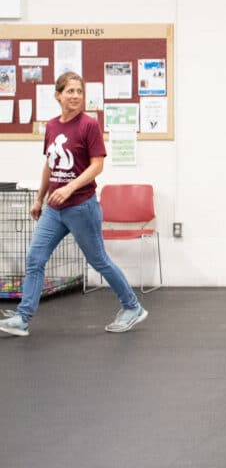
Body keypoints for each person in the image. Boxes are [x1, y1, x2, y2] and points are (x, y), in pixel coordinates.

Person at [0, 72, 147, 337]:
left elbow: (97, 166)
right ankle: (23, 318)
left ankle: (132, 306)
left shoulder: (88, 125)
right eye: (70, 91)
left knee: (99, 260)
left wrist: (69, 188)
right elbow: (50, 163)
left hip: (81, 207)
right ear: (58, 95)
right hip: (55, 210)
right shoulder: (53, 125)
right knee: (35, 258)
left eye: (79, 91)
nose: (76, 96)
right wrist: (39, 198)